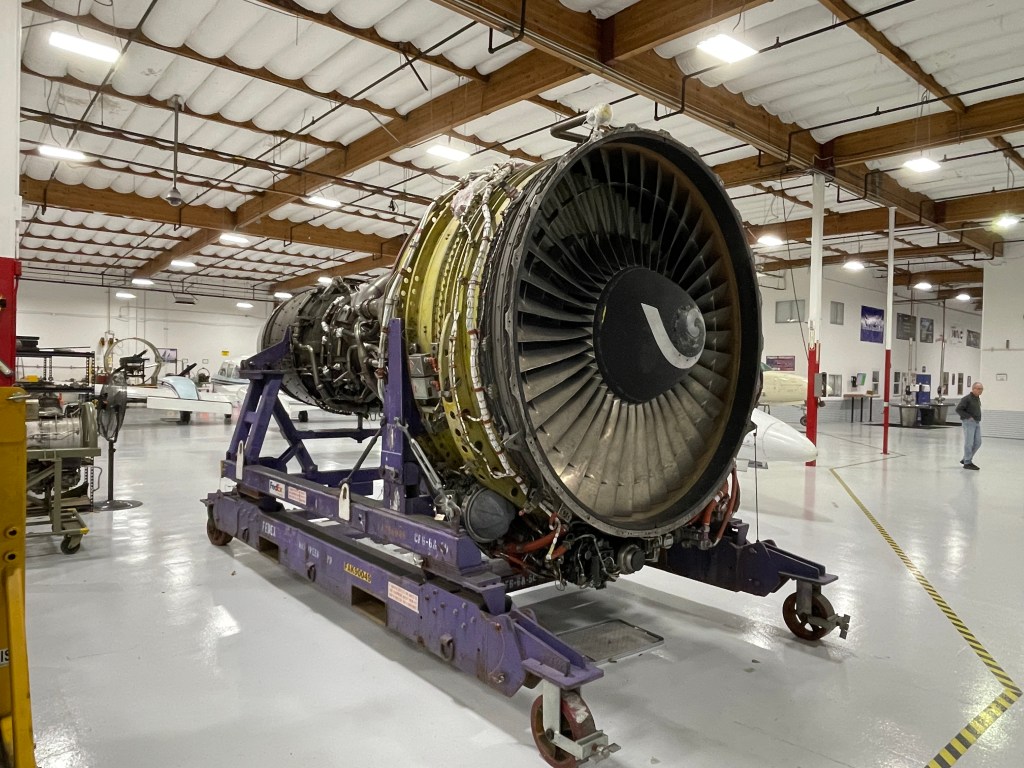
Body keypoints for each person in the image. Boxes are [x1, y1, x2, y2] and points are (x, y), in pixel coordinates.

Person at [955, 381, 984, 470]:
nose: (980, 391)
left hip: (976, 422)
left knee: (978, 442)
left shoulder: (977, 398)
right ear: (973, 389)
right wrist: (968, 417)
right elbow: (958, 409)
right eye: (978, 389)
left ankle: (966, 458)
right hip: (969, 422)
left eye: (981, 389)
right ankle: (967, 462)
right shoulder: (967, 399)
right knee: (969, 442)